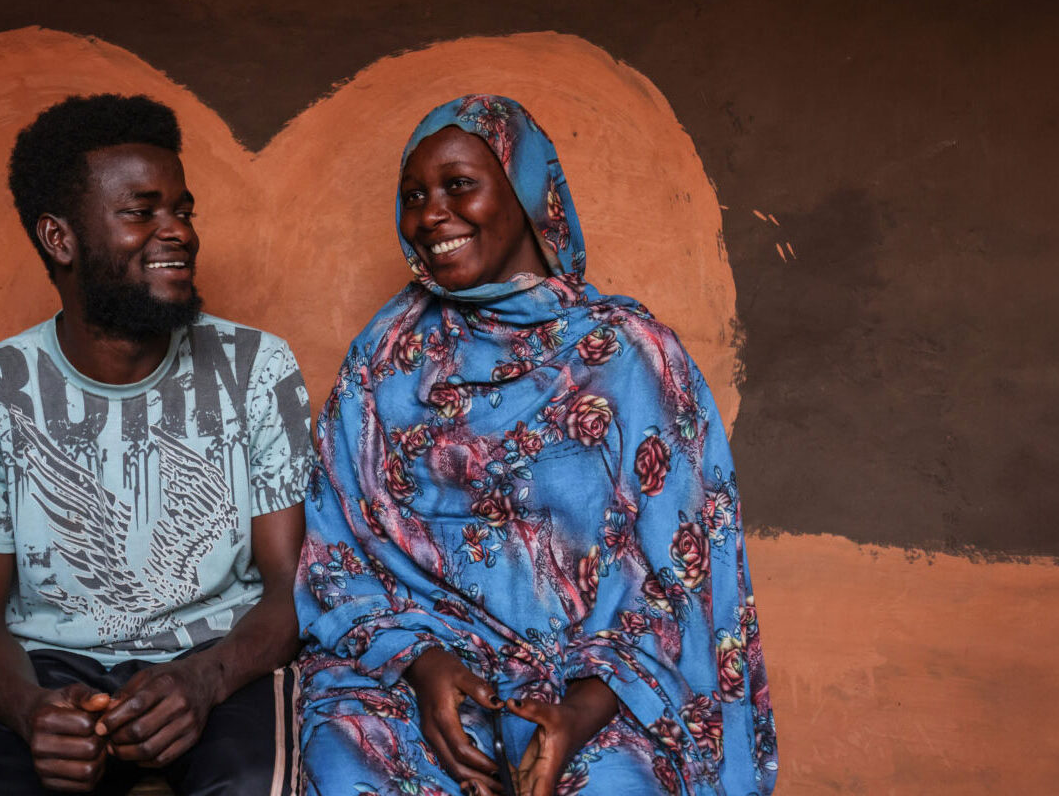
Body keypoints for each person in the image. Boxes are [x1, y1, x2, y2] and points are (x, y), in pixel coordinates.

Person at [295, 95, 776, 796]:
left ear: (525, 193)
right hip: (415, 673)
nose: (431, 215)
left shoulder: (629, 357)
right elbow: (335, 547)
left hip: (595, 688)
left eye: (459, 185)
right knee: (347, 762)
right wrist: (423, 666)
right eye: (414, 196)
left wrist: (576, 715)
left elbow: (680, 578)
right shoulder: (386, 355)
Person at [0, 94, 312, 795]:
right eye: (142, 213)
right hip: (49, 671)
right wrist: (31, 712)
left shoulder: (257, 368)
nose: (179, 232)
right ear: (61, 239)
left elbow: (291, 584)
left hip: (223, 661)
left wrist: (206, 679)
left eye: (183, 210)